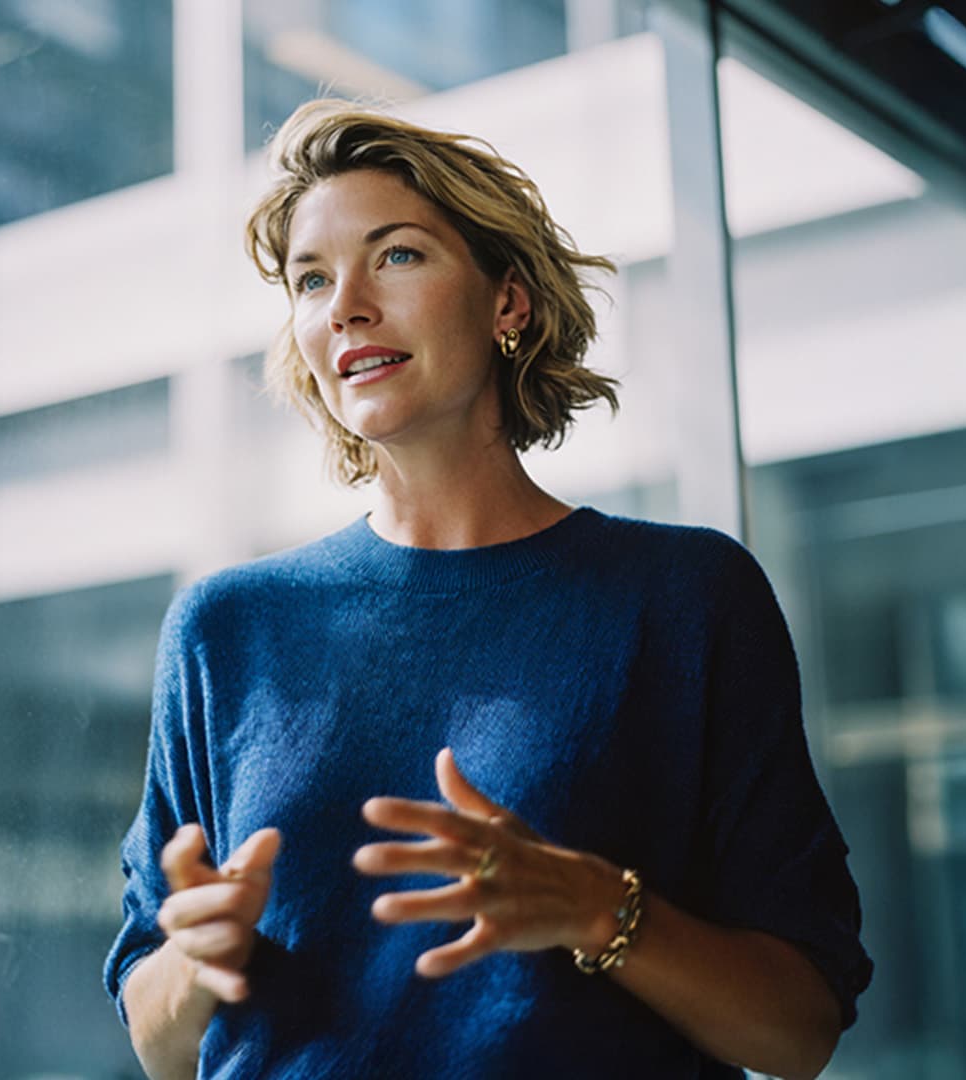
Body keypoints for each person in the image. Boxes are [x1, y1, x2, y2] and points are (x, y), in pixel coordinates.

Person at [102, 99, 872, 1079]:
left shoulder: (683, 597)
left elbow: (798, 1030)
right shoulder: (226, 628)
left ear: (508, 304)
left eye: (398, 256)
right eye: (310, 279)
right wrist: (200, 959)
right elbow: (157, 1041)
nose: (345, 304)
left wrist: (594, 906)